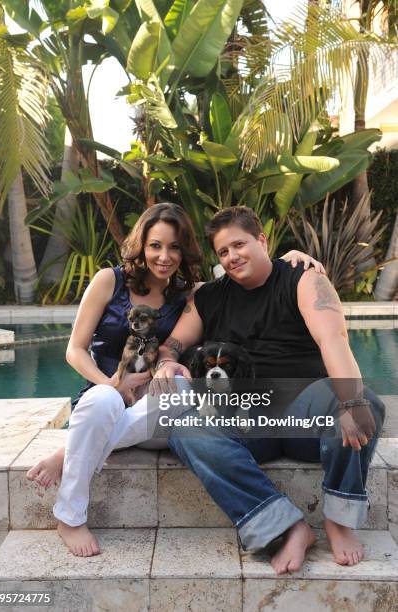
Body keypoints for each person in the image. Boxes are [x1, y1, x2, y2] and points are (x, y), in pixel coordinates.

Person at [26, 202, 321, 557]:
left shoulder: (191, 293)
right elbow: (74, 350)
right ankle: (70, 517)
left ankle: (70, 449)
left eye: (174, 246)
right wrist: (110, 384)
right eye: (156, 245)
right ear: (142, 245)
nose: (164, 256)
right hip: (103, 397)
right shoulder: (109, 280)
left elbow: (245, 271)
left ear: (185, 250)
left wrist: (290, 256)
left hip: (155, 406)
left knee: (184, 390)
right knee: (103, 403)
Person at [151, 206, 385, 576]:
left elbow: (334, 338)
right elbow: (172, 344)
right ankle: (287, 527)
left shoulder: (302, 278)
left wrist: (350, 400)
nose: (232, 257)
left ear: (262, 240)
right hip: (247, 417)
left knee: (365, 400)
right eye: (223, 252)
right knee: (187, 430)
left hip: (307, 412)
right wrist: (167, 361)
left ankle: (339, 520)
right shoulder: (210, 297)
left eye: (239, 244)